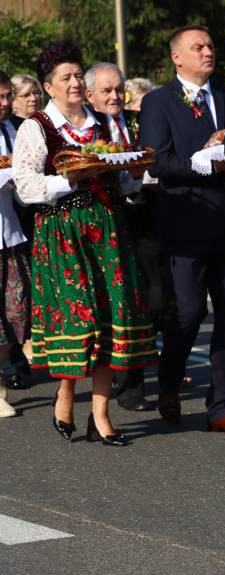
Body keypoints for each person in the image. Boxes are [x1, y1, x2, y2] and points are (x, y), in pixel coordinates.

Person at [12, 41, 158, 444]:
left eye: (79, 75)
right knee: (79, 319)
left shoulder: (105, 123)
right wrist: (69, 180)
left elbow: (123, 179)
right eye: (67, 77)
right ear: (49, 87)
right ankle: (66, 390)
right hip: (62, 231)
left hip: (108, 227)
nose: (76, 82)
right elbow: (26, 187)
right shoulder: (36, 127)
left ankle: (101, 413)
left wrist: (139, 171)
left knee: (112, 317)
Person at [138, 25, 225, 434]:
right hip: (184, 222)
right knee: (187, 312)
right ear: (177, 57)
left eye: (210, 45)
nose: (208, 51)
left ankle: (223, 406)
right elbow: (157, 161)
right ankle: (169, 381)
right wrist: (204, 160)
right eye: (198, 47)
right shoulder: (157, 102)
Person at [86, 62, 163, 412]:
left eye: (119, 90)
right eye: (107, 91)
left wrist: (144, 172)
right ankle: (130, 384)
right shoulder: (87, 128)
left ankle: (136, 364)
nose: (116, 96)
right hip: (105, 218)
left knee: (158, 298)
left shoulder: (134, 121)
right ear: (90, 95)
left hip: (143, 213)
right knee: (120, 301)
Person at [0, 70, 31, 418]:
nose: (7, 103)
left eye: (9, 96)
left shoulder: (15, 130)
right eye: (2, 98)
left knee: (17, 312)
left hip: (10, 234)